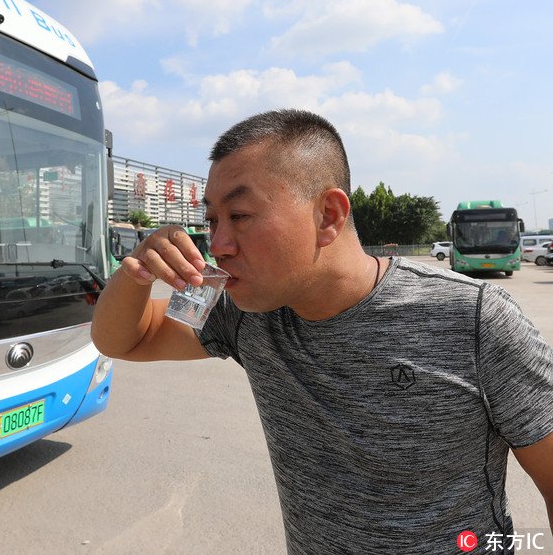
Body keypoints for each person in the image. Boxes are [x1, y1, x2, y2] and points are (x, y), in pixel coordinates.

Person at [91, 109, 553, 554]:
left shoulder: (472, 319)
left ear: (328, 215)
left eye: (240, 216)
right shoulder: (248, 312)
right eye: (212, 220)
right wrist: (135, 274)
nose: (219, 245)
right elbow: (125, 339)